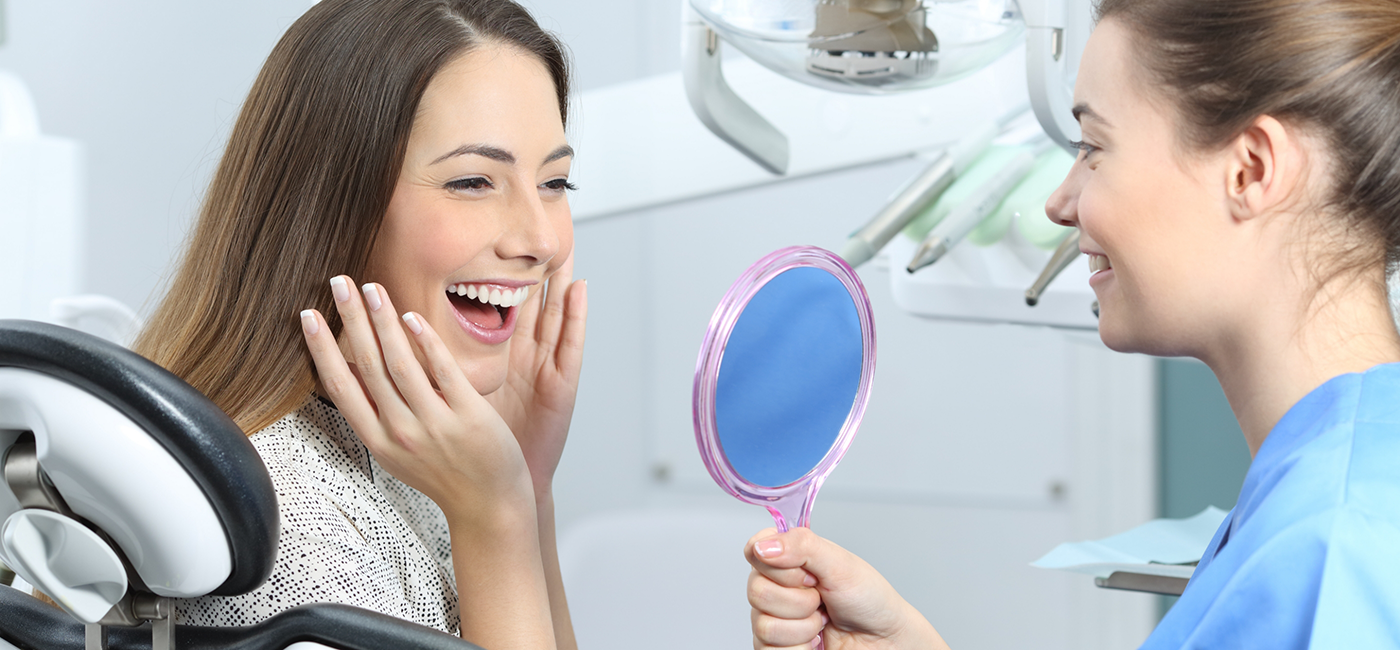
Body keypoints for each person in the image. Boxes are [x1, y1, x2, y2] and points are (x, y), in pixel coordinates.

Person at [744, 0, 1400, 647]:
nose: (1060, 203)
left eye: (1094, 147)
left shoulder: (1333, 548)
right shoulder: (1338, 490)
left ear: (1250, 169)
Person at [131, 1, 585, 649]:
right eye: (473, 181)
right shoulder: (291, 529)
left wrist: (528, 487)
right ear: (330, 207)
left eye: (556, 183)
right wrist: (499, 517)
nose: (541, 240)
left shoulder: (421, 455)